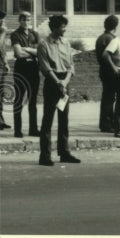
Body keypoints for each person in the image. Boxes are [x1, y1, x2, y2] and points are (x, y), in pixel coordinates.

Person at [36, 14, 80, 166]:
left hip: (64, 82)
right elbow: (45, 67)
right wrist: (59, 83)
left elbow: (71, 66)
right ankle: (45, 155)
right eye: (62, 26)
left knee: (64, 119)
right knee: (48, 120)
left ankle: (64, 152)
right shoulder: (43, 44)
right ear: (54, 28)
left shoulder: (66, 43)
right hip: (52, 83)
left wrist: (65, 82)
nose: (65, 29)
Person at [10, 11, 40, 138]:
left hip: (33, 68)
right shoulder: (15, 34)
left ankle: (33, 129)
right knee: (19, 100)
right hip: (21, 69)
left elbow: (40, 52)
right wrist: (32, 52)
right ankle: (18, 130)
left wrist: (26, 48)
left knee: (33, 101)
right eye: (24, 19)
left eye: (29, 19)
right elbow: (18, 54)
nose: (27, 22)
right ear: (20, 20)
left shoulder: (35, 34)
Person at [95, 15, 120, 132]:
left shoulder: (101, 37)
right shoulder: (111, 39)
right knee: (110, 98)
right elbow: (111, 56)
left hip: (103, 69)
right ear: (115, 26)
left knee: (107, 97)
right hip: (110, 70)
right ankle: (107, 123)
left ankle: (105, 122)